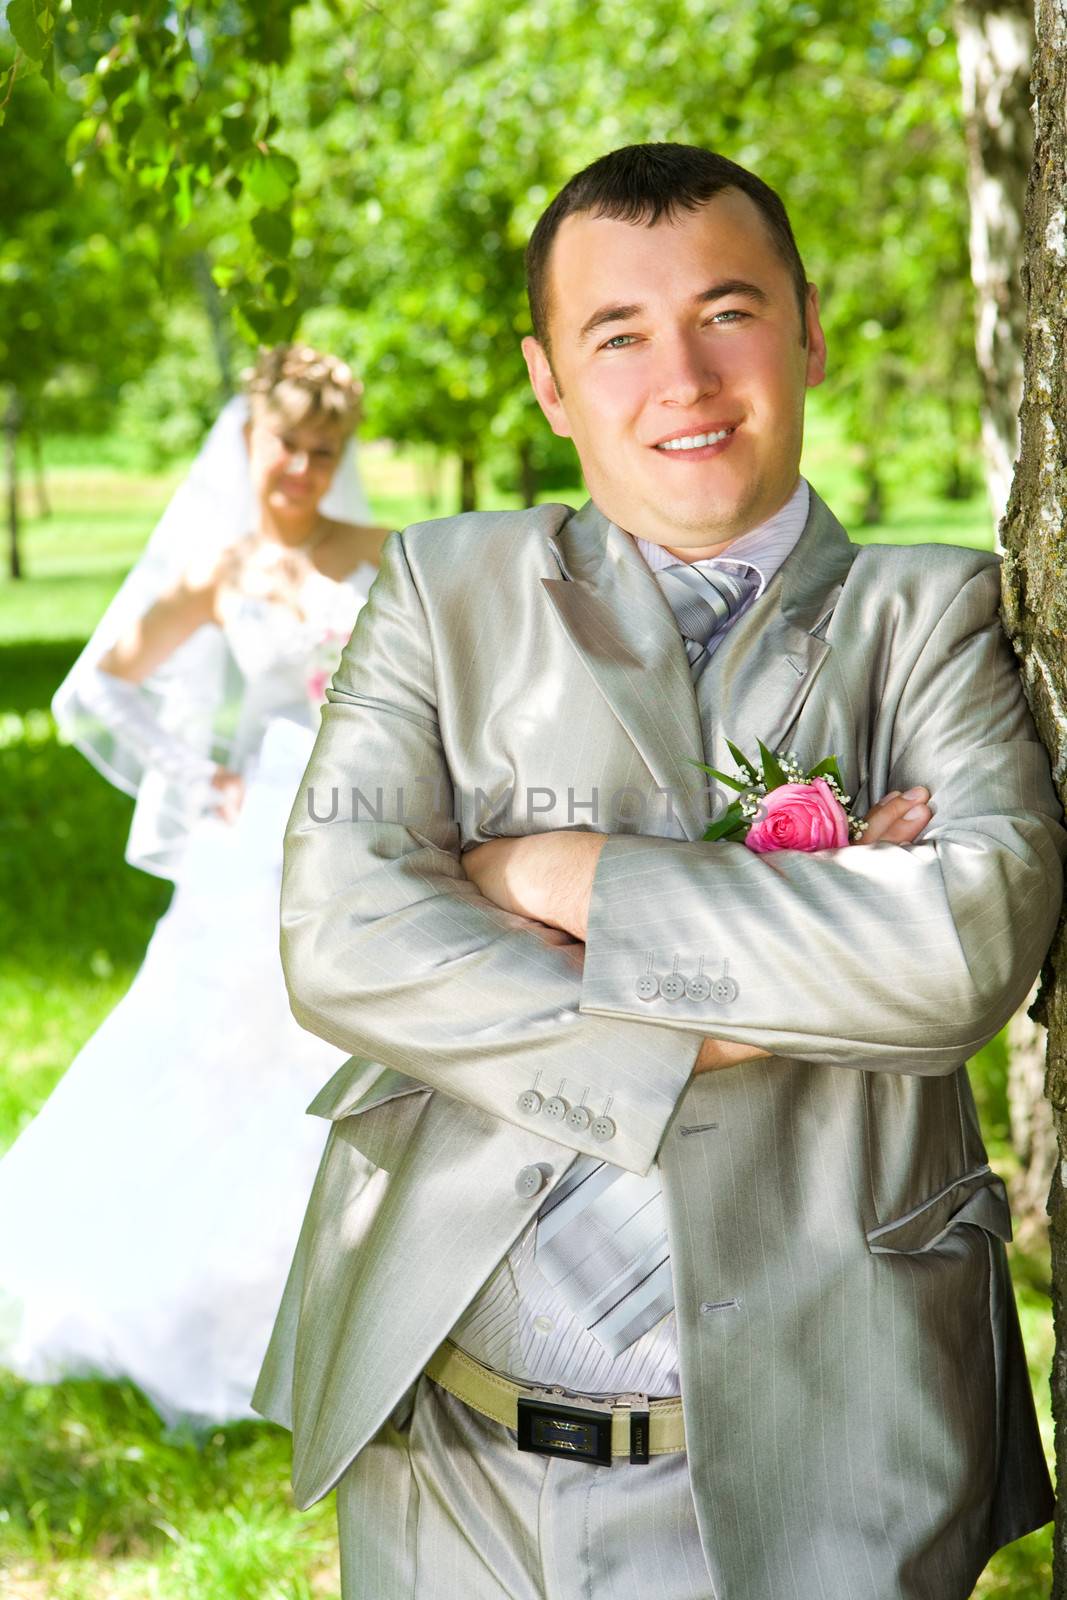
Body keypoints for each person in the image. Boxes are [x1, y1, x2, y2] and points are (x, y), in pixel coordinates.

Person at [254, 148, 1066, 1600]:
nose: (679, 378)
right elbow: (342, 932)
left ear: (807, 329)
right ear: (548, 381)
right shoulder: (444, 594)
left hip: (825, 1459)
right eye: (614, 335)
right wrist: (731, 1006)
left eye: (726, 312)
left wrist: (550, 872)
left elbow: (954, 949)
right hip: (450, 1460)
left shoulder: (925, 616)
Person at [0, 343, 389, 1427]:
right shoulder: (220, 568)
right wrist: (197, 776)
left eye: (324, 452)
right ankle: (210, 1304)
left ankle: (333, 1296)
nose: (303, 472)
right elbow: (101, 688)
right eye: (287, 449)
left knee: (346, 1064)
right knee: (228, 1063)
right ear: (247, 442)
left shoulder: (384, 552)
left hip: (365, 833)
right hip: (257, 841)